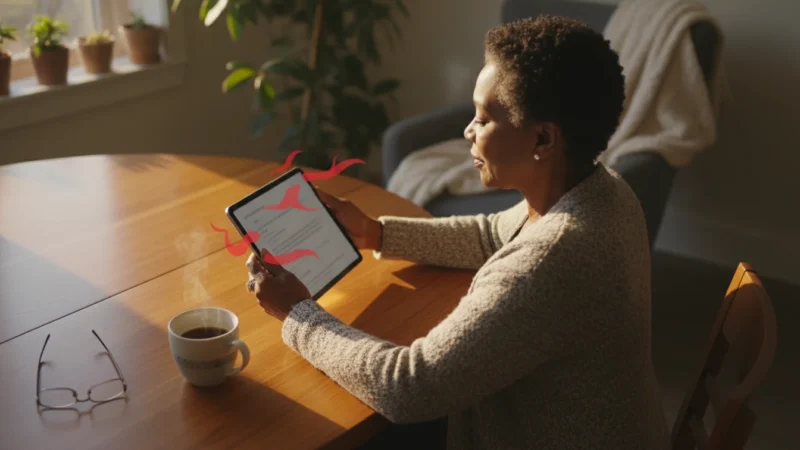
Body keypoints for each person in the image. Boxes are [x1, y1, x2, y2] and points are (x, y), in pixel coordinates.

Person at [245, 15, 670, 450]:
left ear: (543, 139)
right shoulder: (605, 190)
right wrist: (376, 233)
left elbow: (410, 387)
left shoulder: (548, 263)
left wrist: (297, 313)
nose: (467, 130)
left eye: (484, 119)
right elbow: (491, 233)